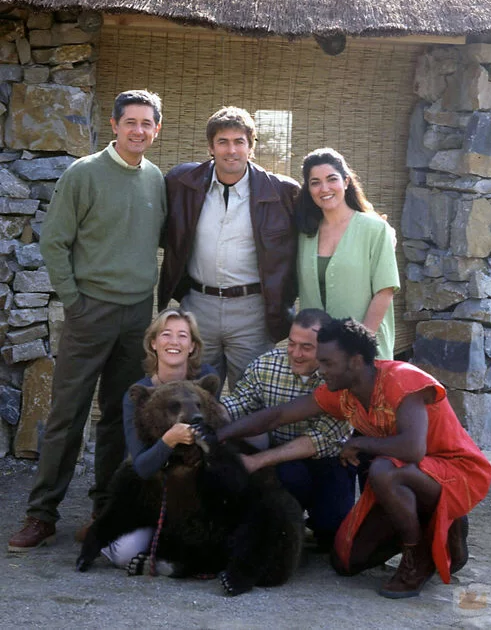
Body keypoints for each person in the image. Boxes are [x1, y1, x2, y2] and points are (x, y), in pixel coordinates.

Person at [215, 318, 491, 599]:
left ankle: (417, 558)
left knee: (383, 470)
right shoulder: (343, 393)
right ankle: (438, 528)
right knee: (346, 562)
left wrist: (359, 442)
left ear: (356, 361)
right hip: (408, 476)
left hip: (458, 472)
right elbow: (278, 415)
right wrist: (220, 434)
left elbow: (413, 449)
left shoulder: (403, 379)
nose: (321, 370)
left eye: (328, 363)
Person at [8, 90, 166, 553]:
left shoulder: (155, 179)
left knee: (120, 416)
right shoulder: (84, 173)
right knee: (67, 414)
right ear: (113, 125)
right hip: (89, 310)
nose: (138, 130)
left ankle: (104, 510)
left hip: (137, 314)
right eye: (130, 121)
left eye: (147, 123)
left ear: (157, 129)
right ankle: (42, 514)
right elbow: (54, 241)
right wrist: (74, 302)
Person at [158, 106, 300, 390]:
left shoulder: (283, 192)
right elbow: (166, 235)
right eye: (222, 142)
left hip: (253, 311)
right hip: (198, 306)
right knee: (193, 396)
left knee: (252, 398)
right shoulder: (181, 184)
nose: (231, 150)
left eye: (239, 142)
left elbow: (316, 233)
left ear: (251, 147)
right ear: (211, 147)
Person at [221, 308, 355, 550]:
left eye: (306, 347)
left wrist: (256, 461)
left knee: (332, 530)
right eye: (292, 343)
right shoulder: (266, 365)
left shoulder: (339, 377)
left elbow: (320, 439)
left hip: (329, 460)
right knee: (290, 475)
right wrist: (210, 416)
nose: (295, 353)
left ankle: (320, 524)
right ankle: (284, 526)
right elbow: (238, 403)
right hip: (283, 463)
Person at [101, 308, 218, 568]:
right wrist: (169, 440)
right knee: (124, 555)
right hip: (150, 489)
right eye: (166, 334)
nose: (174, 342)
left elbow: (218, 441)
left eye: (182, 335)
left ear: (192, 346)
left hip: (194, 492)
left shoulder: (205, 383)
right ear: (153, 343)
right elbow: (141, 466)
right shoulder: (139, 393)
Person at [295, 148, 400, 359]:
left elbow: (385, 291)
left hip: (364, 354)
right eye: (315, 182)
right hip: (317, 353)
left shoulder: (375, 229)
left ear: (346, 181)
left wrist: (359, 346)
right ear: (309, 189)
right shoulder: (304, 234)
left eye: (331, 179)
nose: (324, 188)